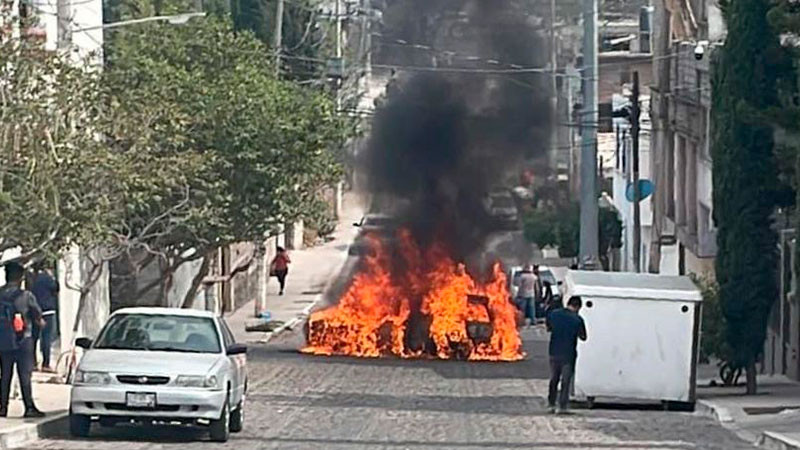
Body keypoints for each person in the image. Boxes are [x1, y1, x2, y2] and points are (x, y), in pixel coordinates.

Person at [0, 262, 45, 418]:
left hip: (4, 340)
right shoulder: (26, 296)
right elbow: (38, 316)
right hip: (23, 340)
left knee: (5, 374)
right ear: (20, 278)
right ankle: (29, 407)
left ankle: (2, 407)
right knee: (24, 375)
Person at [546, 296, 587, 414]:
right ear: (578, 307)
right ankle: (562, 406)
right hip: (568, 354)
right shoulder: (577, 319)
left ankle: (551, 404)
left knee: (554, 379)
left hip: (554, 351)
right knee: (566, 381)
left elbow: (549, 328)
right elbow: (583, 337)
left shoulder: (554, 314)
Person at [31, 262, 58, 372]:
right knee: (46, 338)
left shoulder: (33, 278)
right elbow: (56, 288)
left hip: (35, 311)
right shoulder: (48, 279)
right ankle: (45, 364)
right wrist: (52, 277)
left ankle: (33, 363)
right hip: (47, 311)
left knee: (34, 338)